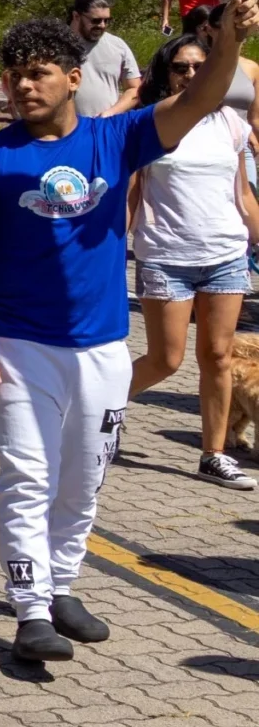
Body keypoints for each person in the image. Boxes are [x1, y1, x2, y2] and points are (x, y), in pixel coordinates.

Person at [0, 0, 257, 663]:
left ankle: (61, 583)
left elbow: (202, 97)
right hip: (17, 345)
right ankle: (29, 607)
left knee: (84, 476)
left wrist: (228, 37)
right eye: (13, 74)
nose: (24, 85)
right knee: (27, 474)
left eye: (39, 72)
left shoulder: (116, 139)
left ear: (73, 77)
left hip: (103, 347)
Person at [125, 32, 259, 490]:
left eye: (199, 67)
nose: (189, 75)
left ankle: (214, 454)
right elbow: (133, 191)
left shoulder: (232, 125)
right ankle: (97, 411)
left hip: (225, 253)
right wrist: (105, 249)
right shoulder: (152, 123)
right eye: (180, 67)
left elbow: (242, 193)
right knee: (167, 359)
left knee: (218, 356)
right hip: (166, 254)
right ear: (165, 74)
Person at [68, 0, 142, 116]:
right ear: (76, 16)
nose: (102, 25)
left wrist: (111, 113)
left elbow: (134, 89)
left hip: (106, 127)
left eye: (106, 20)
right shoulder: (56, 45)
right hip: (64, 130)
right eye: (96, 20)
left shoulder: (118, 45)